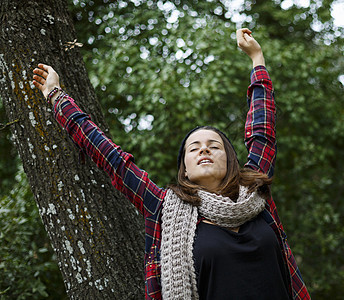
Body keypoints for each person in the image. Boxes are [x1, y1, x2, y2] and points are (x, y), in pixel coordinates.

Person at [33, 28, 310, 300]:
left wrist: (257, 59)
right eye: (194, 147)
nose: (204, 149)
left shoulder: (256, 192)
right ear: (185, 169)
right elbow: (110, 157)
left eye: (214, 146)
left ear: (232, 161)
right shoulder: (164, 207)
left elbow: (262, 130)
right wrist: (57, 96)